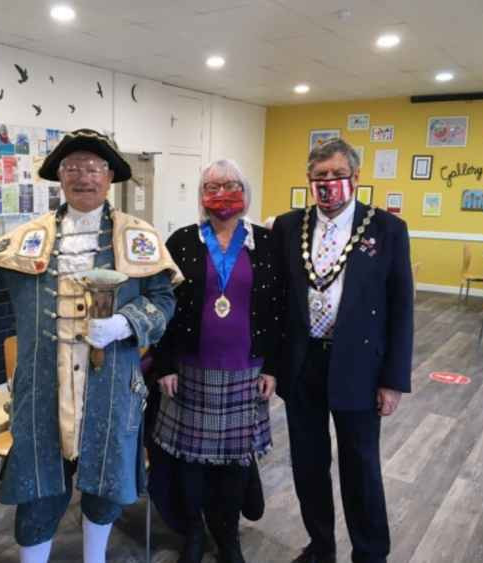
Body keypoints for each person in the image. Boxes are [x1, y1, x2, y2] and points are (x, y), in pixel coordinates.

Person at [0, 129, 182, 563]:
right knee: (38, 494)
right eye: (73, 167)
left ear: (109, 175)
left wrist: (124, 324)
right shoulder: (29, 238)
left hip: (111, 388)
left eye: (93, 167)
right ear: (59, 175)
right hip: (41, 392)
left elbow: (164, 301)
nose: (83, 176)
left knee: (104, 490)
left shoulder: (139, 236)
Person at [270, 139, 413, 563]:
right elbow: (276, 300)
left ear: (356, 176)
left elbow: (401, 308)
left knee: (360, 466)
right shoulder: (287, 226)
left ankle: (370, 553)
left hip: (359, 366)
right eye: (319, 176)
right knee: (308, 465)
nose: (328, 183)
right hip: (302, 363)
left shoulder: (386, 229)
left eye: (337, 174)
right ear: (309, 179)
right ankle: (320, 546)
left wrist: (393, 380)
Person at [149, 159, 280, 563]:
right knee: (189, 464)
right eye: (212, 185)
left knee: (234, 468)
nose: (221, 193)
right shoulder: (182, 240)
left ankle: (229, 538)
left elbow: (279, 309)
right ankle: (192, 533)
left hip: (247, 371)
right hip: (190, 369)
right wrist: (166, 363)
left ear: (245, 191)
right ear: (201, 195)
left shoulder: (264, 241)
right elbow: (163, 304)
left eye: (231, 184)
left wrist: (272, 366)